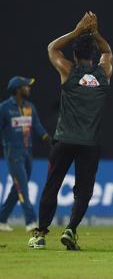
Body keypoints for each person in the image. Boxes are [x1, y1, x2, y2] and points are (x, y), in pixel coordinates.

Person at [29, 12, 112, 250]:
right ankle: (70, 229)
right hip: (89, 144)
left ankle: (40, 234)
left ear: (75, 56)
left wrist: (77, 31)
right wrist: (95, 33)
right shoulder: (103, 73)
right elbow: (108, 52)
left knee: (52, 186)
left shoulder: (68, 70)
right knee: (83, 191)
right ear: (94, 56)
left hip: (64, 141)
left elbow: (52, 48)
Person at [0, 77, 49, 232]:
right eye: (26, 86)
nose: (29, 88)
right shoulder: (5, 108)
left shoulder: (29, 107)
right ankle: (31, 221)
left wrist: (48, 138)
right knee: (23, 187)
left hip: (28, 152)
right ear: (17, 89)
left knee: (17, 189)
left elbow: (37, 126)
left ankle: (1, 220)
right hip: (13, 152)